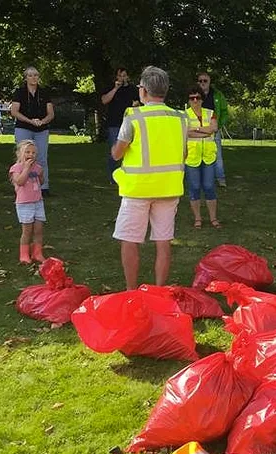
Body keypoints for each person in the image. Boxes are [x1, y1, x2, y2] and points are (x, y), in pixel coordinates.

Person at [111, 66, 187, 290]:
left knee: (129, 239)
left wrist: (115, 150)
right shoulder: (180, 118)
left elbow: (117, 153)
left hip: (138, 189)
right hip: (169, 188)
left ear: (143, 90)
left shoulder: (134, 116)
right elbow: (183, 153)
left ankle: (131, 290)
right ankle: (160, 291)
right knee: (163, 241)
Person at [10, 67, 54, 197]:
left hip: (41, 129)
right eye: (30, 75)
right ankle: (20, 185)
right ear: (26, 78)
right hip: (23, 127)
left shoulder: (44, 92)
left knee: (41, 157)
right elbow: (14, 111)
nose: (33, 78)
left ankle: (43, 187)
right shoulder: (20, 92)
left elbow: (51, 113)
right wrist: (30, 121)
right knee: (23, 156)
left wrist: (42, 121)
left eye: (36, 75)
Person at [184, 85, 220, 229]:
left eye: (198, 97)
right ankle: (197, 218)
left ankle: (213, 218)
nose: (195, 100)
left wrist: (197, 129)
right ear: (188, 100)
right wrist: (205, 132)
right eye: (192, 98)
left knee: (209, 186)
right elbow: (186, 132)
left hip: (208, 156)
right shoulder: (184, 115)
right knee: (194, 187)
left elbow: (214, 128)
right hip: (192, 156)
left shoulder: (210, 112)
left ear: (202, 99)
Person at [9, 140, 47, 264]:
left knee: (38, 230)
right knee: (27, 231)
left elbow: (41, 182)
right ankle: (24, 254)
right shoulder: (16, 168)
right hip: (24, 204)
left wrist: (41, 175)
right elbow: (20, 182)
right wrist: (26, 169)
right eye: (27, 152)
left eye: (33, 153)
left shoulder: (37, 167)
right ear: (20, 153)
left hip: (38, 202)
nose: (31, 155)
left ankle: (37, 253)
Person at [101, 67, 139, 184]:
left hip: (129, 122)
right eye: (120, 76)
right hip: (114, 123)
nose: (122, 78)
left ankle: (126, 174)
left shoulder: (133, 89)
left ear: (128, 77)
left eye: (124, 76)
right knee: (115, 150)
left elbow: (138, 103)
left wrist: (136, 105)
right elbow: (104, 100)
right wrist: (115, 88)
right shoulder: (111, 87)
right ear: (116, 77)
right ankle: (113, 177)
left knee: (129, 150)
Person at [196, 72, 229, 187]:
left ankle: (221, 178)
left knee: (217, 154)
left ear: (209, 82)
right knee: (198, 153)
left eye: (205, 81)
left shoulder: (217, 95)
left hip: (213, 129)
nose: (202, 83)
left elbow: (224, 112)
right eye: (200, 81)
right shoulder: (194, 96)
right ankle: (200, 178)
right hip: (199, 129)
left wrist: (218, 126)